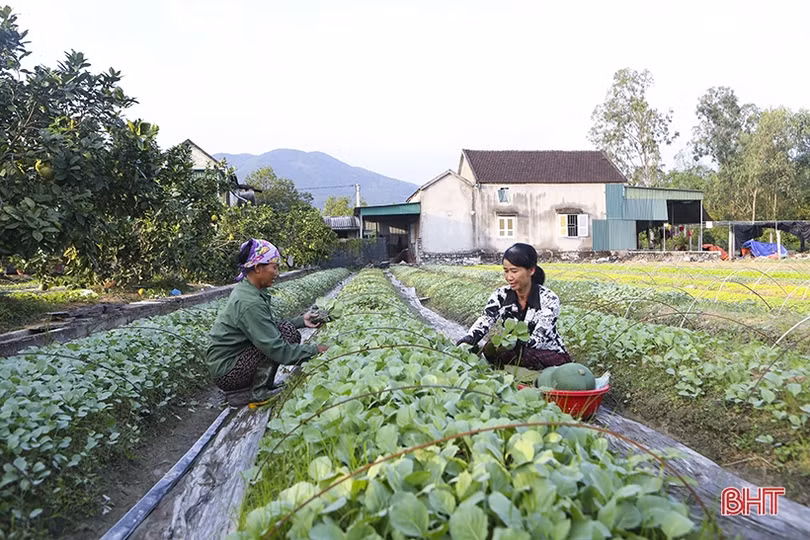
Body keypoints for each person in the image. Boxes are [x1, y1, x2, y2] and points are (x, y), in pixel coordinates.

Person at [206, 238, 328, 407]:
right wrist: (316, 350)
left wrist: (301, 321)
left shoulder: (248, 290)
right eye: (274, 267)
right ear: (257, 268)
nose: (277, 273)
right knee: (284, 335)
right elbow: (277, 349)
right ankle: (257, 393)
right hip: (228, 372)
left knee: (285, 329)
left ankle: (259, 386)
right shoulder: (249, 302)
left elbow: (266, 326)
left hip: (231, 363)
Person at [456, 243, 571, 370]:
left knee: (520, 354)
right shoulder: (501, 295)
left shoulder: (548, 299)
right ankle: (512, 372)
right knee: (490, 348)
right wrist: (470, 339)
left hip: (549, 354)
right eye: (506, 271)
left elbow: (538, 339)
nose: (509, 277)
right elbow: (486, 318)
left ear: (531, 270)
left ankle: (535, 376)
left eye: (514, 271)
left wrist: (512, 343)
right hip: (514, 351)